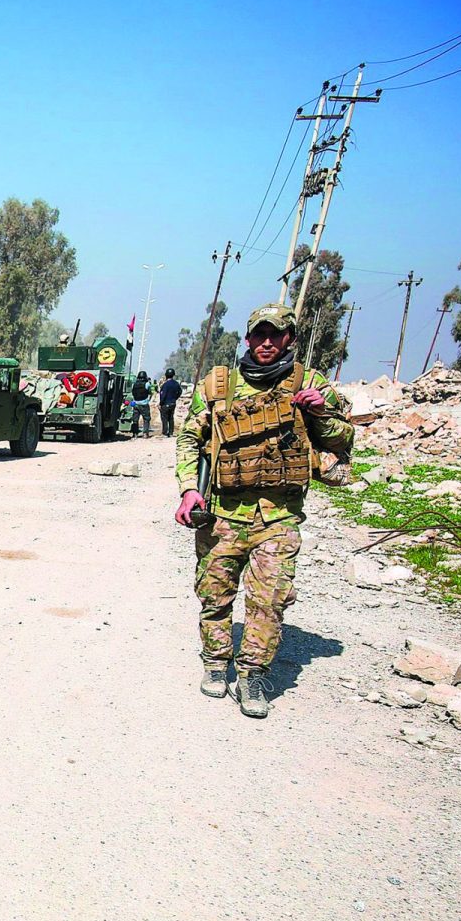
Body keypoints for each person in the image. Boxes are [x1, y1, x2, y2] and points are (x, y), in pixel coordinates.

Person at [173, 303, 353, 719]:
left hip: (279, 516)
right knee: (214, 594)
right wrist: (187, 490)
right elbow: (188, 439)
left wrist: (320, 413)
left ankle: (253, 674)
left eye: (276, 335)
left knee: (269, 600)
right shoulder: (219, 385)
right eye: (259, 335)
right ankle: (216, 662)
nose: (266, 342)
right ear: (248, 337)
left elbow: (343, 440)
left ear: (290, 337)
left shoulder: (312, 384)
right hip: (221, 512)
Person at [157, 367, 182, 438]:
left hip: (165, 404)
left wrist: (160, 403)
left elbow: (163, 395)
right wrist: (175, 398)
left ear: (166, 375)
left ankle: (165, 432)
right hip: (173, 403)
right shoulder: (176, 384)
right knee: (171, 418)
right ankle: (171, 432)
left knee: (164, 418)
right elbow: (180, 392)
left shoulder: (165, 385)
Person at [129, 371, 154, 437]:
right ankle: (145, 433)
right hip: (144, 403)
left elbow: (133, 393)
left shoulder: (134, 384)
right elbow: (150, 392)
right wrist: (149, 400)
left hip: (135, 403)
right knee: (146, 419)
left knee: (135, 420)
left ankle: (135, 434)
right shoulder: (147, 384)